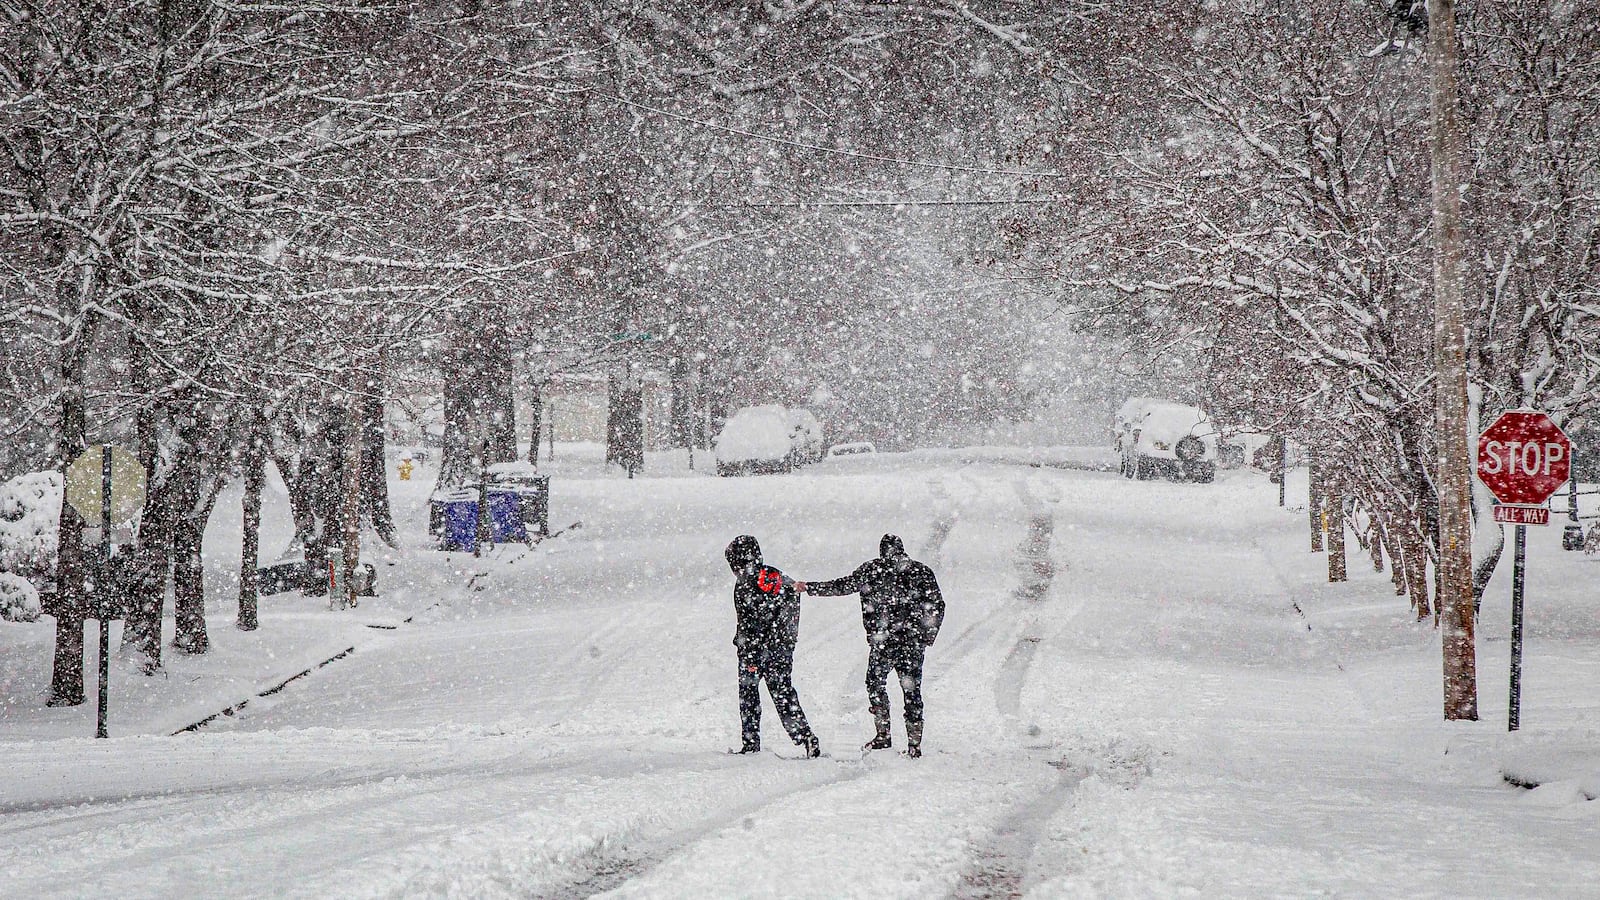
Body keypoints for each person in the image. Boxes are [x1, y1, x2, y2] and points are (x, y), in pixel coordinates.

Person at [799, 534, 944, 758]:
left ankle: (883, 734)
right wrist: (926, 636)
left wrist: (809, 587)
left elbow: (842, 586)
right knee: (912, 691)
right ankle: (914, 744)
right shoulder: (920, 571)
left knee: (875, 684)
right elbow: (936, 606)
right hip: (910, 644)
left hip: (884, 642)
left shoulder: (873, 570)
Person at [724, 535, 821, 758]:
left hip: (760, 649)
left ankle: (753, 742)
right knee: (779, 693)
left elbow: (751, 619)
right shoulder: (772, 579)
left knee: (755, 694)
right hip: (772, 649)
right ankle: (804, 737)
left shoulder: (754, 582)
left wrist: (758, 644)